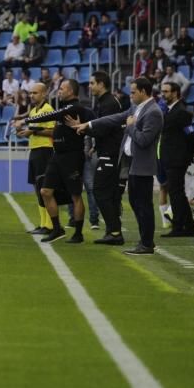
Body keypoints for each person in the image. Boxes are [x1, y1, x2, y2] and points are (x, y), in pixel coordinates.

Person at [68, 78, 163, 255]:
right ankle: (144, 242)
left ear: (143, 91)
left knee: (143, 205)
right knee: (136, 203)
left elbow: (144, 140)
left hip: (143, 165)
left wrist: (131, 127)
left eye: (134, 92)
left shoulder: (154, 112)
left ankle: (147, 243)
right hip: (132, 164)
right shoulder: (136, 108)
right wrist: (88, 125)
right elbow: (115, 118)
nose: (131, 94)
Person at [18, 79, 95, 244]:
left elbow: (52, 116)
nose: (59, 91)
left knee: (75, 195)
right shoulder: (64, 108)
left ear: (72, 91)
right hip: (57, 155)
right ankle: (56, 228)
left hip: (72, 156)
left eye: (62, 89)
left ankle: (78, 233)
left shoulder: (74, 107)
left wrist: (26, 121)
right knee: (45, 191)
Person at [83, 71, 127, 245]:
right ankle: (112, 230)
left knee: (101, 192)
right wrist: (96, 145)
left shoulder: (108, 103)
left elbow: (104, 128)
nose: (89, 86)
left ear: (101, 84)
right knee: (109, 193)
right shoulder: (105, 102)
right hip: (107, 151)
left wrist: (83, 128)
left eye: (92, 83)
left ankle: (115, 232)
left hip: (111, 154)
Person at [158, 81, 194, 238]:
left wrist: (188, 155)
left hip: (177, 159)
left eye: (166, 91)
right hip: (171, 158)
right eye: (163, 91)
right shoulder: (170, 110)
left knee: (176, 193)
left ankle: (179, 227)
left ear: (175, 93)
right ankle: (189, 227)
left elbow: (191, 135)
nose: (163, 94)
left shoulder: (181, 112)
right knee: (177, 193)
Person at [15, 83, 55, 234]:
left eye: (35, 93)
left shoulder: (48, 110)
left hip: (45, 150)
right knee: (37, 188)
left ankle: (50, 225)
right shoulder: (33, 111)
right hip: (34, 150)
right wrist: (25, 132)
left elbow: (52, 131)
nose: (32, 95)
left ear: (44, 94)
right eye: (31, 93)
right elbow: (33, 130)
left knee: (45, 188)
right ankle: (43, 223)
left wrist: (32, 132)